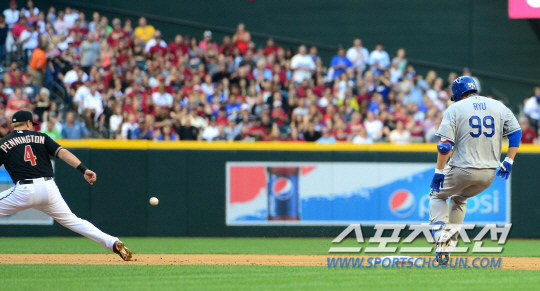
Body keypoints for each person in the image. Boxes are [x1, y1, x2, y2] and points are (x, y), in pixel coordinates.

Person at [0, 110, 132, 261]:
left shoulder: (4, 143)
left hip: (25, 190)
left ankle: (112, 242)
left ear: (13, 124)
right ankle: (112, 242)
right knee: (74, 221)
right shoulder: (41, 137)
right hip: (49, 188)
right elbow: (63, 153)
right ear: (29, 123)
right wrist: (83, 169)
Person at [428, 76, 521, 266]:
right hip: (488, 174)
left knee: (437, 195)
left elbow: (445, 146)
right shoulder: (497, 105)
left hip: (462, 169)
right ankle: (448, 246)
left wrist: (439, 171)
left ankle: (440, 236)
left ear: (457, 93)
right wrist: (509, 160)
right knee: (460, 198)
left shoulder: (454, 108)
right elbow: (516, 132)